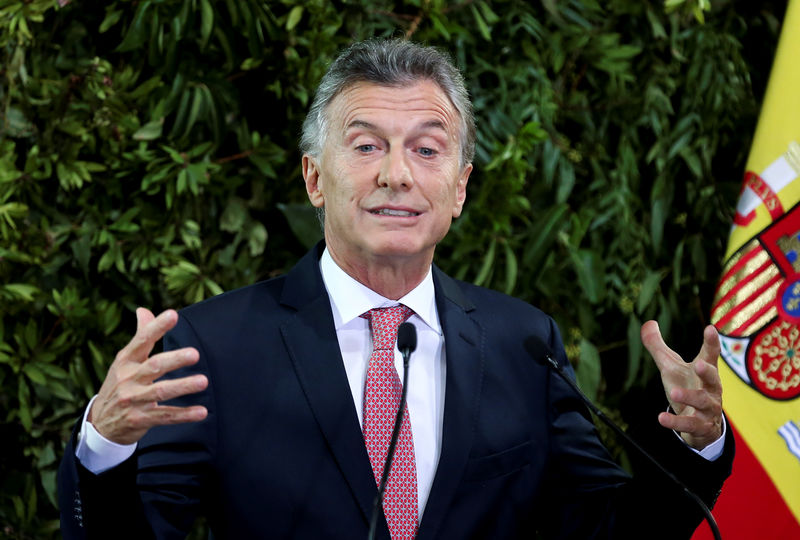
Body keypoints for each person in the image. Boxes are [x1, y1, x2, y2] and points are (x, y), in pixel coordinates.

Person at [58, 39, 732, 539]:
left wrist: (695, 445)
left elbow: (606, 531)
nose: (397, 175)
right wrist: (106, 446)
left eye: (427, 149)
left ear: (460, 188)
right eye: (367, 146)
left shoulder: (524, 343)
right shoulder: (214, 345)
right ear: (315, 178)